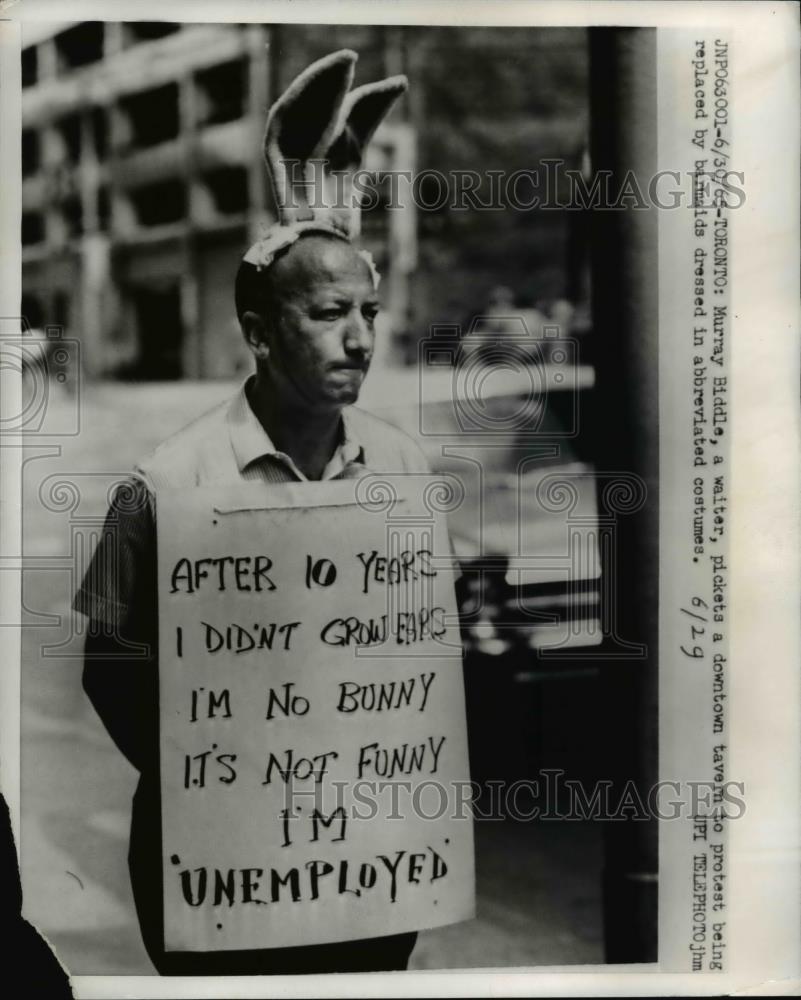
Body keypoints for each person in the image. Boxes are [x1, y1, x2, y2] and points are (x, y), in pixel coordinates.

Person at [76, 50, 434, 976]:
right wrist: (226, 779)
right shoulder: (161, 485)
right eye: (326, 313)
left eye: (368, 310)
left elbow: (423, 662)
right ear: (260, 330)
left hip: (367, 876)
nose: (358, 337)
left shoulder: (400, 470)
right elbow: (110, 669)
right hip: (223, 875)